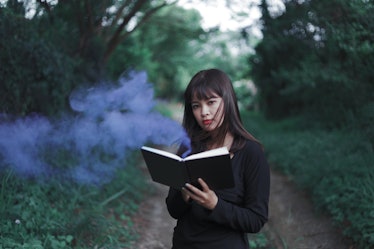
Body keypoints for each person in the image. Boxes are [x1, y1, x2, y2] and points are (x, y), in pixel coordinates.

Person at [166, 69, 270, 249]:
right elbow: (173, 211)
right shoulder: (188, 148)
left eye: (211, 102)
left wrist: (214, 204)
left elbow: (256, 220)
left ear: (227, 101)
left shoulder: (251, 153)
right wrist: (184, 195)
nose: (204, 112)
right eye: (196, 105)